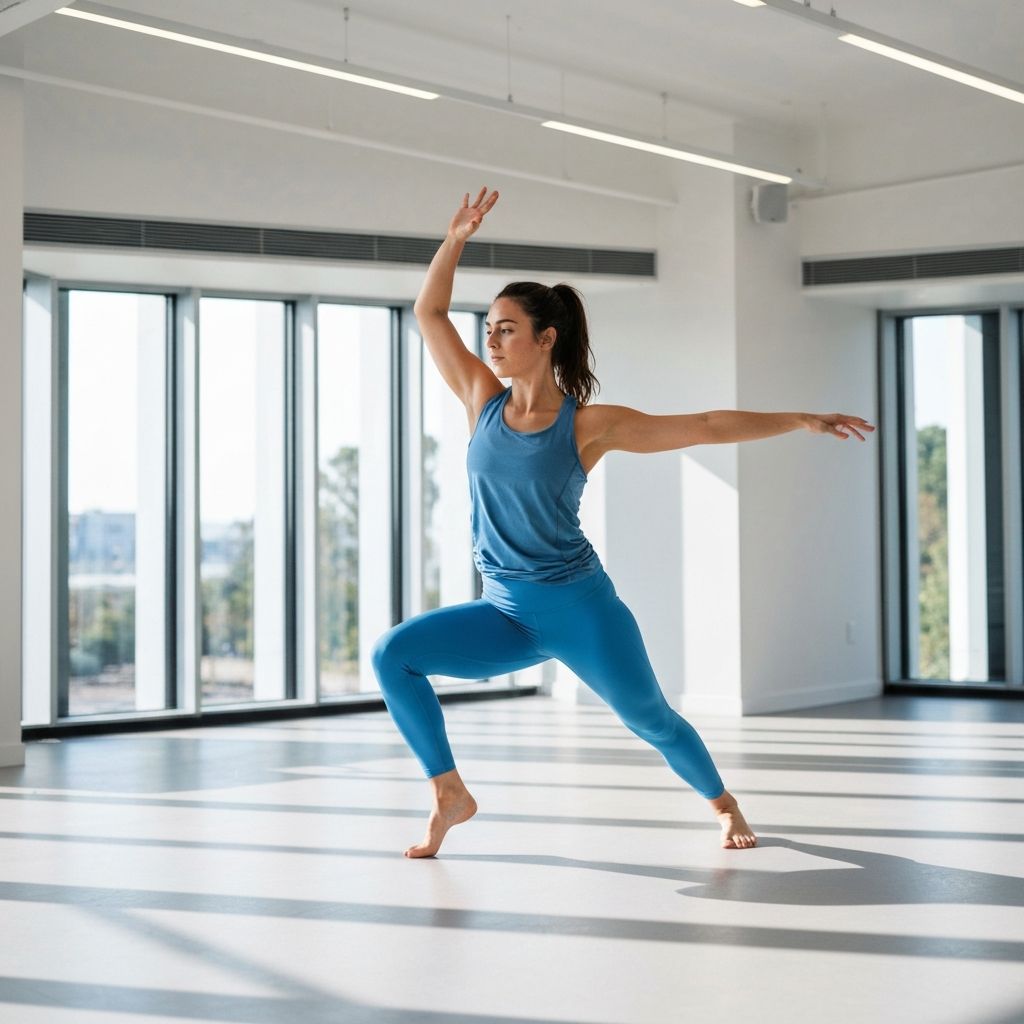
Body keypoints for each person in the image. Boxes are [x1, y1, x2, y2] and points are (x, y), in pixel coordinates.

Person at [371, 186, 875, 859]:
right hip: (504, 610)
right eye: (488, 327)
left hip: (580, 611)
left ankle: (723, 803)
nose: (490, 339)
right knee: (393, 655)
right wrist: (454, 240)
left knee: (652, 720)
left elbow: (703, 425)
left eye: (506, 328)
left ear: (546, 339)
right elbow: (430, 312)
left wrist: (800, 419)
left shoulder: (588, 425)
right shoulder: (480, 400)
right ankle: (449, 794)